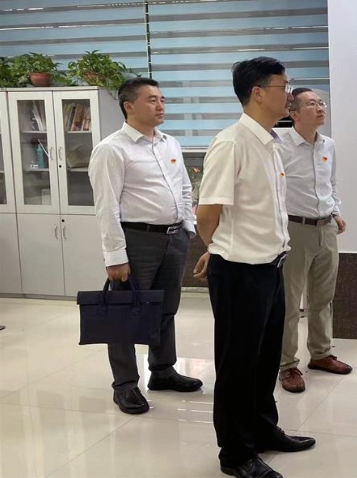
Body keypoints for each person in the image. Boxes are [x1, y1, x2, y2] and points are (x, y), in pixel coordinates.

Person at [195, 57, 315, 478]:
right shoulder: (231, 143)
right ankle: (236, 453)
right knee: (238, 364)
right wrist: (217, 249)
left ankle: (263, 429)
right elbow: (207, 212)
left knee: (265, 360)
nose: (291, 93)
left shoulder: (270, 141)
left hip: (270, 266)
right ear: (258, 93)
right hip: (240, 271)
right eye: (284, 86)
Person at [88, 77, 202, 416]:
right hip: (136, 240)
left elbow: (185, 187)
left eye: (162, 99)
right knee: (125, 312)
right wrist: (114, 256)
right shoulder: (112, 149)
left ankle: (163, 370)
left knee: (166, 308)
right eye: (152, 99)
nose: (161, 105)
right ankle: (125, 385)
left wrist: (187, 227)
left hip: (173, 238)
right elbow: (106, 207)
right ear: (129, 106)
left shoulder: (170, 143)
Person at [277, 88, 351, 394]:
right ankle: (286, 364)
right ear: (293, 113)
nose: (320, 107)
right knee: (289, 303)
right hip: (294, 229)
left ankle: (320, 354)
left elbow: (330, 184)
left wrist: (336, 212)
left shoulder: (328, 145)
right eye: (311, 104)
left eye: (321, 103)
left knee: (323, 297)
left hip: (326, 228)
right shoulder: (279, 145)